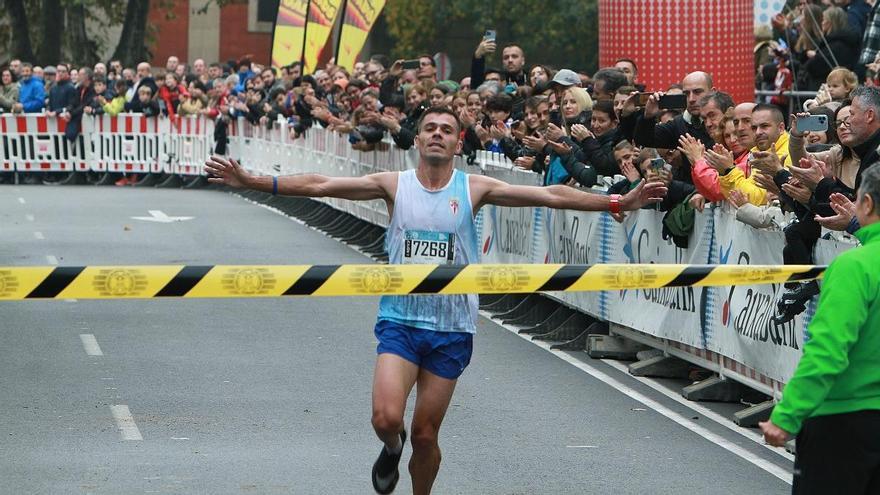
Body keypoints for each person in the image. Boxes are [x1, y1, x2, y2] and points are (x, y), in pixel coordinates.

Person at [204, 106, 666, 495]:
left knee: (425, 435)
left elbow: (548, 194)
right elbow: (320, 184)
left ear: (458, 142)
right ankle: (391, 449)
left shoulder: (474, 188)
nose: (438, 135)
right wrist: (253, 181)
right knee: (386, 418)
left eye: (447, 130)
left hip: (451, 327)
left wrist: (616, 203)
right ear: (418, 139)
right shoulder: (393, 184)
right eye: (430, 129)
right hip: (401, 320)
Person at [760, 162, 880, 495]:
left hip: (846, 421)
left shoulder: (856, 266)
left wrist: (787, 415)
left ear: (866, 203)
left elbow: (828, 349)